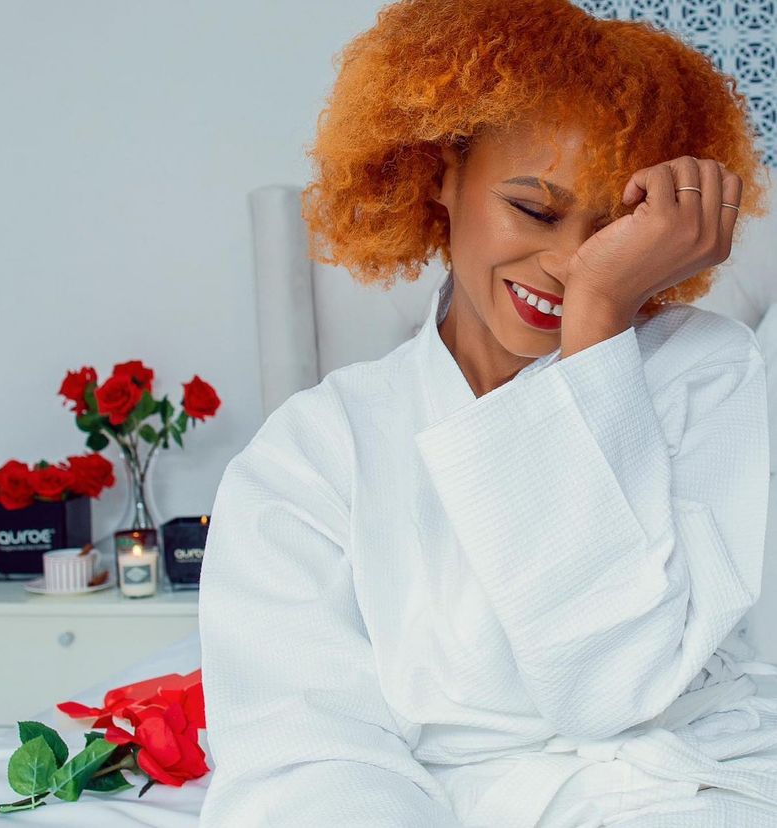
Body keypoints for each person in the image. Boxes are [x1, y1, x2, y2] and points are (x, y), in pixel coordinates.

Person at [198, 0, 777, 825]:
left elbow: (613, 684)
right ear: (441, 172)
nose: (569, 263)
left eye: (613, 233)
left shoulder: (705, 371)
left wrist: (599, 321)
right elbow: (305, 755)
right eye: (535, 210)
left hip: (695, 790)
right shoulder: (316, 448)